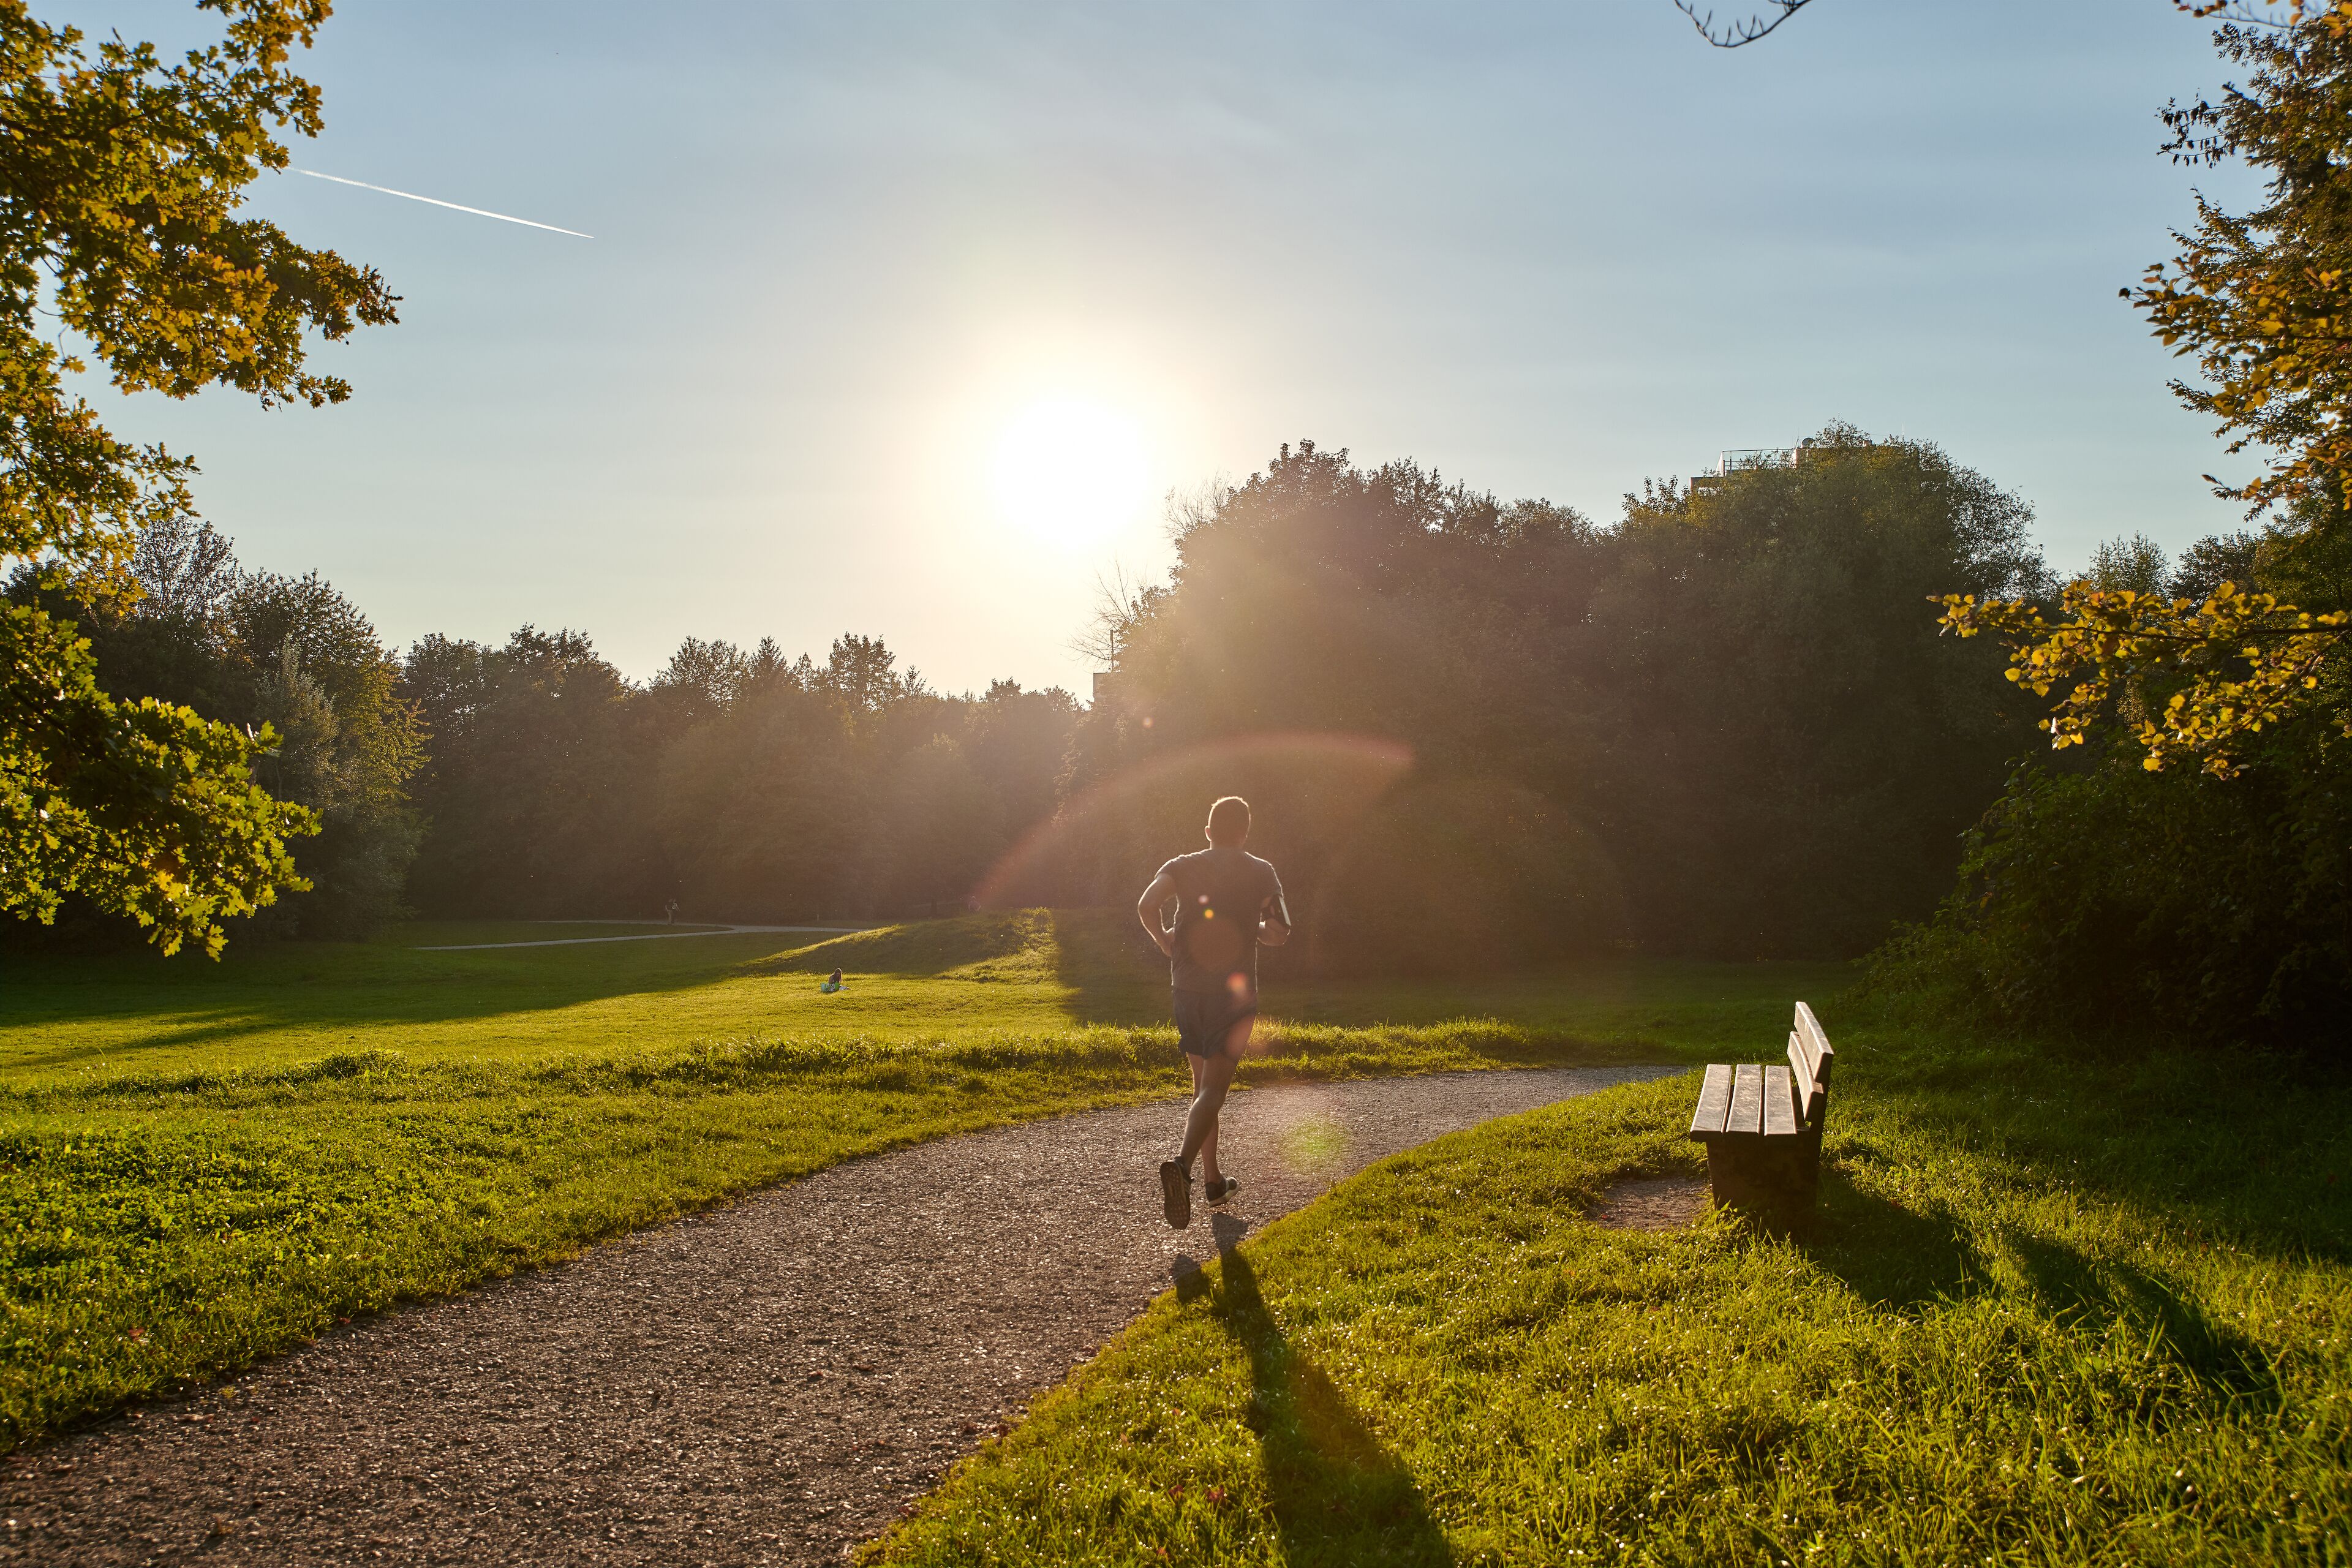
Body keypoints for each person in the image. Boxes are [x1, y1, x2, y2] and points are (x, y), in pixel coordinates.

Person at [1136, 794, 1291, 1229]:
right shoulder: (1261, 871)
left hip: (1185, 989)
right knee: (1214, 1091)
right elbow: (1280, 932)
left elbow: (1147, 907)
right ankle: (1181, 1169)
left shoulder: (1181, 865)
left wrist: (1167, 944)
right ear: (1245, 833)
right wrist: (1253, 927)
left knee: (1202, 1088)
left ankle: (1213, 1181)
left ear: (1208, 831)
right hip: (1232, 997)